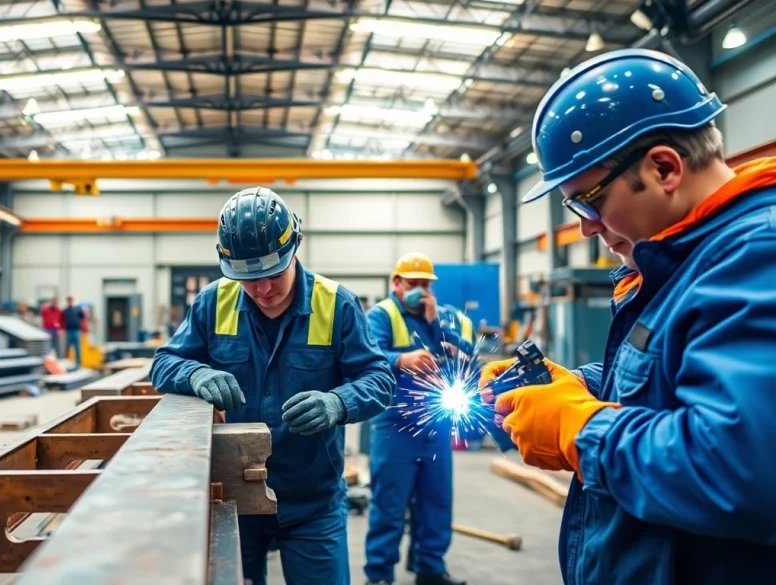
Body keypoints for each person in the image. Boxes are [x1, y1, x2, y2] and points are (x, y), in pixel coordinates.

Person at [479, 48, 776, 585]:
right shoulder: (683, 263)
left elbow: (743, 469)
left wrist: (581, 427)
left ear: (663, 167)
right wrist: (576, 386)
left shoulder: (757, 257)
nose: (587, 227)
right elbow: (673, 385)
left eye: (588, 202)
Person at [150, 187, 397, 585]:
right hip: (231, 498)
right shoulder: (214, 302)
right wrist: (196, 374)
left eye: (273, 274)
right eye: (248, 278)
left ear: (295, 247)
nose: (263, 289)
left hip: (311, 500)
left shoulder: (337, 305)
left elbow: (380, 379)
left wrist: (338, 403)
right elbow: (164, 363)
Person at [363, 252, 468, 585]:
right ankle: (379, 574)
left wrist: (435, 322)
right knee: (389, 504)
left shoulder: (442, 315)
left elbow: (466, 350)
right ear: (396, 283)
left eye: (426, 284)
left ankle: (430, 569)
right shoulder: (381, 315)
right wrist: (402, 359)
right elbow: (367, 355)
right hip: (395, 427)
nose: (421, 291)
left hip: (435, 426)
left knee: (436, 501)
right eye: (413, 284)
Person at [61, 295, 86, 366]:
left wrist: (83, 328)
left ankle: (78, 363)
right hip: (69, 331)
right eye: (69, 300)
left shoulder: (78, 309)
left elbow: (82, 318)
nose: (70, 301)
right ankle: (66, 362)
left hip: (76, 331)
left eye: (71, 300)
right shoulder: (65, 310)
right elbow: (62, 320)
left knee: (77, 347)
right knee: (67, 347)